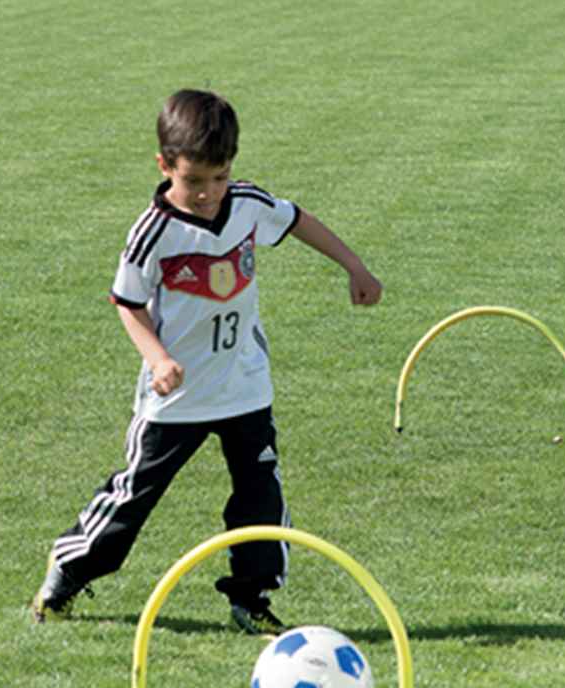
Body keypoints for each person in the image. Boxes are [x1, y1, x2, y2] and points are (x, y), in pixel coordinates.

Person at [32, 89, 382, 635]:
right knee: (136, 493)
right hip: (177, 395)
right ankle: (69, 570)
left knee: (261, 494)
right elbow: (127, 303)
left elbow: (297, 220)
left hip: (244, 385)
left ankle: (252, 597)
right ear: (165, 165)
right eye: (194, 180)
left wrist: (354, 266)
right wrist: (158, 359)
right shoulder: (153, 232)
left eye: (219, 178)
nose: (208, 193)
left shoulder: (247, 204)